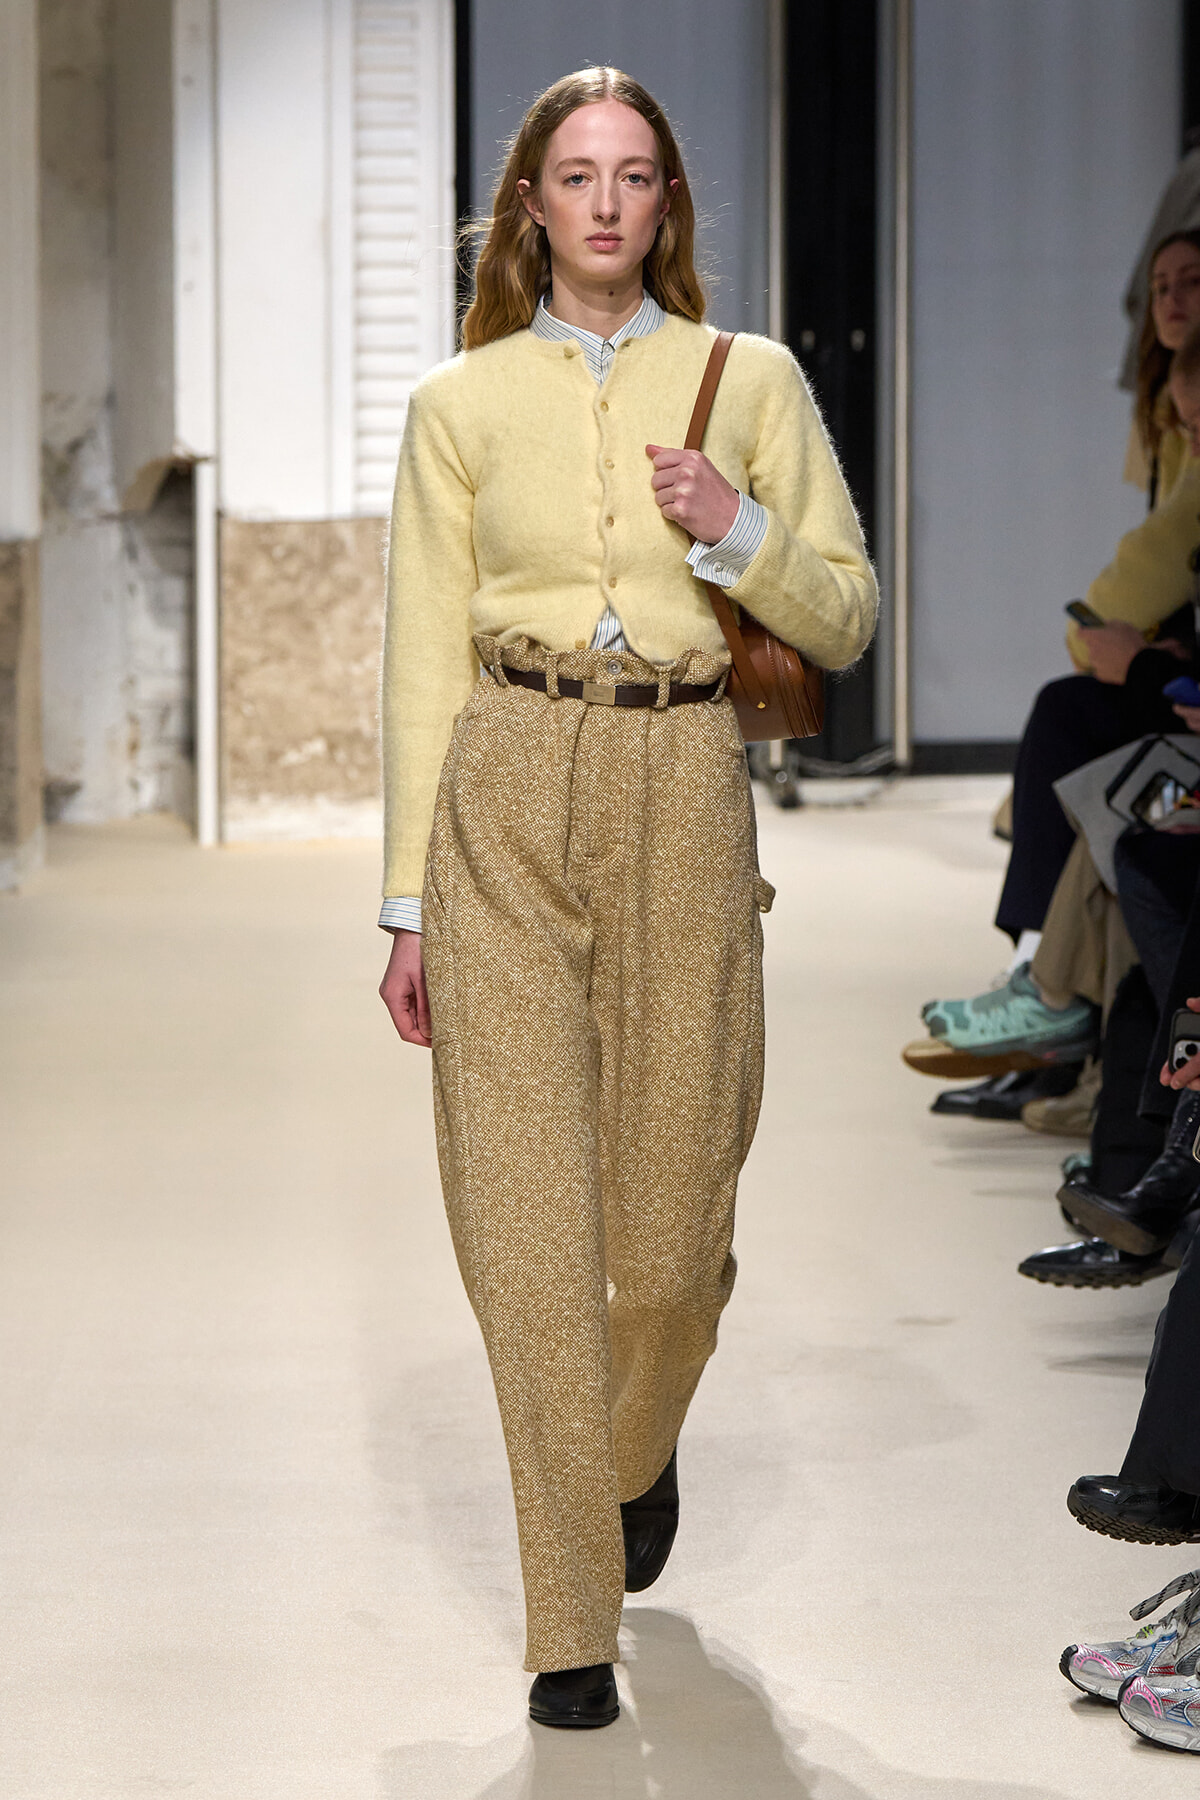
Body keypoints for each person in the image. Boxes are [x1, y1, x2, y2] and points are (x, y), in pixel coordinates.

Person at [376, 67, 877, 1730]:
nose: (604, 204)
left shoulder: (757, 383)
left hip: (681, 792)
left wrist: (738, 535)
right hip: (504, 787)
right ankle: (566, 1621)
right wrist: (405, 907)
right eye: (574, 177)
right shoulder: (458, 405)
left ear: (668, 206)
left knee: (670, 1244)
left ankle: (637, 1447)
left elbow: (852, 616)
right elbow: (417, 660)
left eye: (635, 176)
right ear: (529, 205)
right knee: (525, 1238)